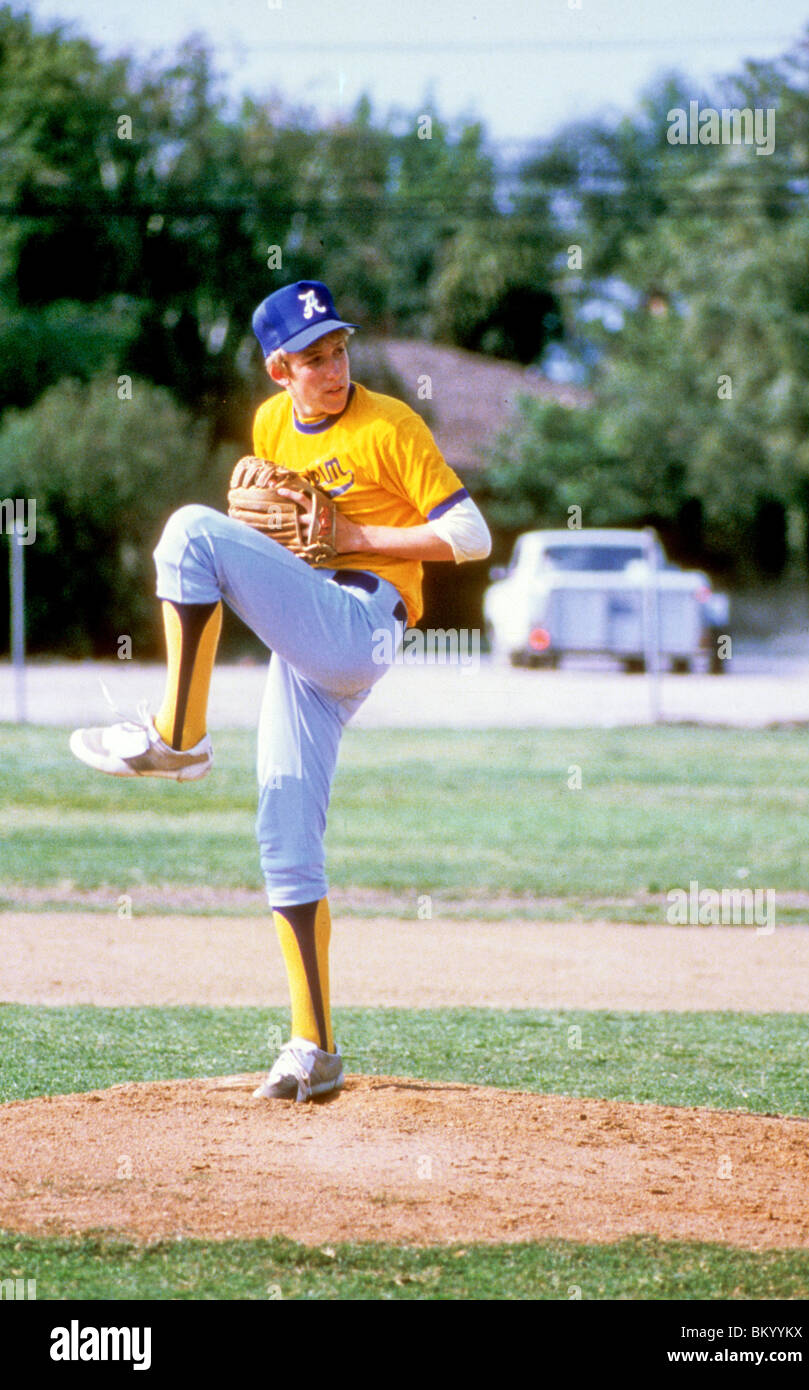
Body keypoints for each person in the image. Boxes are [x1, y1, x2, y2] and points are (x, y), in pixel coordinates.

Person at [70, 279, 492, 1101]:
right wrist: (295, 551)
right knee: (283, 826)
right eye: (312, 358)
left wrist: (354, 535)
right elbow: (290, 548)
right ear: (278, 370)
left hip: (366, 616)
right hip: (310, 637)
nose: (332, 369)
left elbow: (470, 535)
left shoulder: (389, 424)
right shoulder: (270, 426)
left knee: (190, 532)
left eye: (339, 351)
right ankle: (316, 1049)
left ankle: (181, 738)